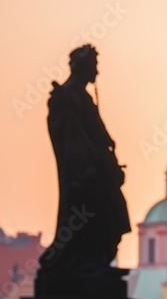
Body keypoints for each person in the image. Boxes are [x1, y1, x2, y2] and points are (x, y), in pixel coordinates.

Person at [39, 44, 130, 275]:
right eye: (94, 66)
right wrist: (93, 165)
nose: (97, 72)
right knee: (94, 211)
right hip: (84, 174)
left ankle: (96, 259)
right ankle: (86, 261)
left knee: (112, 211)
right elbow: (72, 138)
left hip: (96, 169)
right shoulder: (66, 96)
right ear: (82, 67)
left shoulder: (81, 96)